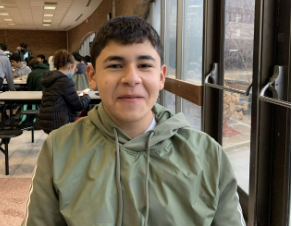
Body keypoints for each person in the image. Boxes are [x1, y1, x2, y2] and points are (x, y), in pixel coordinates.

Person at [22, 16, 246, 226]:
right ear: (92, 76)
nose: (131, 78)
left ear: (161, 76)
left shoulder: (207, 154)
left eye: (145, 65)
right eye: (115, 65)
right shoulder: (59, 149)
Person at [34, 49, 90, 133]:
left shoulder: (50, 78)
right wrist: (86, 95)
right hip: (59, 123)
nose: (75, 72)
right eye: (75, 69)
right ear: (70, 66)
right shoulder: (65, 81)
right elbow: (79, 106)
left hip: (47, 122)